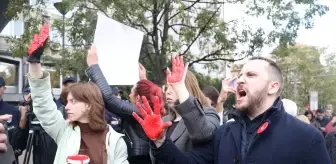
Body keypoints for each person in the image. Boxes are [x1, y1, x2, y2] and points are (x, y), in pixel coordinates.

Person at [134, 56, 331, 164]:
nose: (241, 80)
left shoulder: (307, 138)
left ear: (273, 86)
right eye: (240, 75)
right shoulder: (224, 133)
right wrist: (160, 141)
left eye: (251, 75)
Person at [26, 24, 128, 164]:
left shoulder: (116, 141)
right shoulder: (64, 131)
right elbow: (44, 105)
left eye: (73, 101)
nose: (66, 107)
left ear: (89, 105)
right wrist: (34, 62)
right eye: (67, 101)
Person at [86, 45, 163, 164]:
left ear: (138, 97)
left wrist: (94, 66)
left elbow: (111, 100)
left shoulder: (140, 111)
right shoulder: (149, 109)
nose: (129, 95)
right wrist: (143, 80)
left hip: (139, 160)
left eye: (132, 91)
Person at [149, 57, 219, 164]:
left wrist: (180, 89)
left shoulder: (208, 113)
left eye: (173, 86)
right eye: (166, 87)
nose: (168, 92)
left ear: (186, 87)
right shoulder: (164, 120)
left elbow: (203, 134)